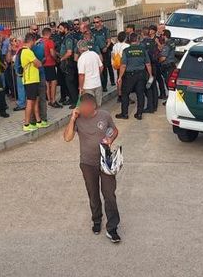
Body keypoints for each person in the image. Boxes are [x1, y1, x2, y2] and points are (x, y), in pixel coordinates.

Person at [63, 93, 121, 243]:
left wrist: (110, 138)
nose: (84, 110)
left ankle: (112, 228)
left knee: (109, 194)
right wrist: (72, 119)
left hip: (105, 161)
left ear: (93, 106)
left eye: (86, 107)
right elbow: (67, 138)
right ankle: (96, 220)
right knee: (93, 194)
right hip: (87, 163)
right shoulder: (78, 118)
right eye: (81, 107)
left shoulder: (104, 116)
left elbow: (114, 130)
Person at [117, 33, 151, 120]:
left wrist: (120, 77)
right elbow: (148, 64)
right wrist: (150, 75)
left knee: (125, 94)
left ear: (129, 40)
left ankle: (124, 114)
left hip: (129, 76)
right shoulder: (143, 50)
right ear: (138, 40)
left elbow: (123, 65)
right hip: (141, 75)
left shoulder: (126, 51)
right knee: (140, 94)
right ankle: (139, 114)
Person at [20, 33, 48, 132]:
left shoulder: (27, 51)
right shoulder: (27, 52)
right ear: (31, 41)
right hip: (30, 80)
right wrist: (39, 62)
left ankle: (38, 121)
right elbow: (38, 63)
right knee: (30, 102)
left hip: (33, 79)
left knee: (35, 101)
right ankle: (26, 124)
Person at [58, 22, 80, 106]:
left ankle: (75, 101)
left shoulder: (68, 38)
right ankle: (71, 99)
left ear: (65, 28)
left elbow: (69, 52)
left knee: (70, 82)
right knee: (69, 82)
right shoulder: (66, 37)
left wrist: (62, 59)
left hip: (68, 63)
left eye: (61, 28)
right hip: (68, 62)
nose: (59, 30)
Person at [77, 40, 104, 106]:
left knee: (89, 107)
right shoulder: (94, 54)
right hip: (97, 84)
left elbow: (81, 75)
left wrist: (80, 87)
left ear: (79, 49)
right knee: (98, 105)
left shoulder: (81, 58)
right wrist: (97, 75)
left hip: (87, 86)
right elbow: (101, 67)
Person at [140, 26, 159, 113]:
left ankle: (150, 107)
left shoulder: (142, 44)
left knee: (148, 87)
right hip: (155, 65)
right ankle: (155, 105)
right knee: (154, 85)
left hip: (147, 68)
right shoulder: (153, 42)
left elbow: (143, 57)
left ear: (142, 34)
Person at [92, 17, 114, 92]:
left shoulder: (105, 30)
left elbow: (109, 41)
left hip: (104, 51)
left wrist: (106, 47)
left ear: (101, 22)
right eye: (94, 22)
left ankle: (104, 86)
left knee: (104, 68)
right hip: (95, 52)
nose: (96, 24)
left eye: (97, 22)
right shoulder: (92, 31)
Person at [42, 27, 61, 108]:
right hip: (50, 64)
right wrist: (57, 59)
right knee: (53, 82)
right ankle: (53, 100)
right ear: (49, 34)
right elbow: (52, 53)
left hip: (43, 64)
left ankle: (49, 100)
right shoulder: (50, 41)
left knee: (46, 83)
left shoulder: (39, 41)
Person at [158, 29, 177, 105]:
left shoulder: (167, 45)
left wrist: (158, 61)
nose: (161, 36)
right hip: (172, 64)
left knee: (168, 83)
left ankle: (171, 100)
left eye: (162, 35)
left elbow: (163, 58)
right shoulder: (172, 42)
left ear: (165, 36)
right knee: (171, 83)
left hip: (167, 66)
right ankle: (172, 99)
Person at [111, 32, 129, 104]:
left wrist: (113, 63)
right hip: (125, 65)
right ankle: (126, 96)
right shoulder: (127, 46)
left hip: (117, 65)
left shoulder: (115, 46)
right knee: (126, 81)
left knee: (119, 80)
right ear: (125, 38)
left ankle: (119, 96)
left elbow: (112, 55)